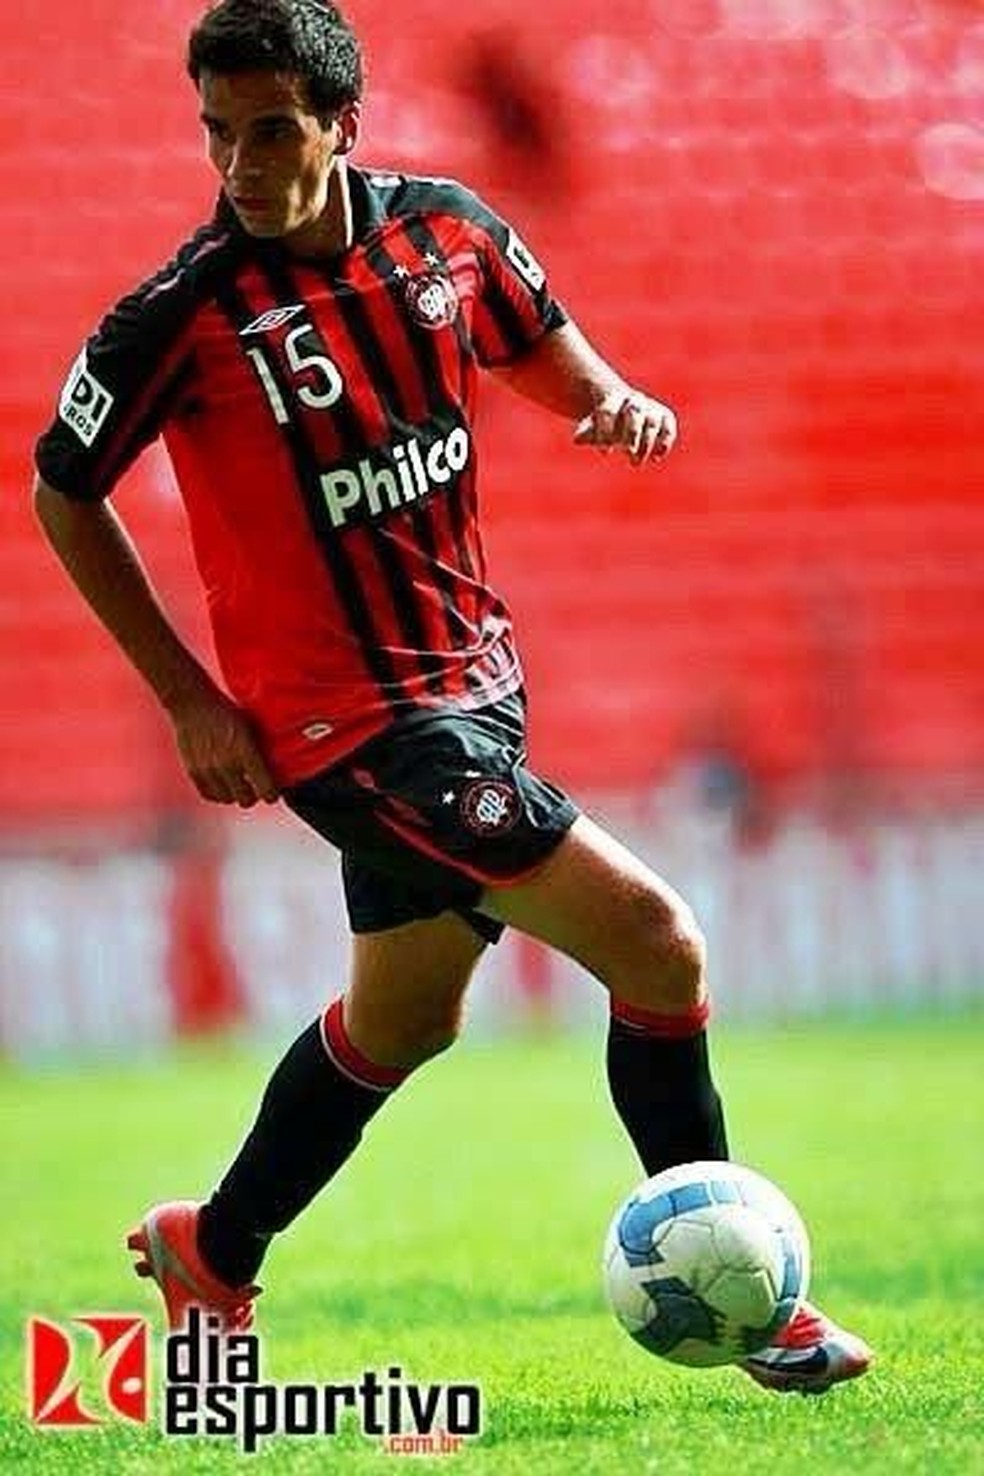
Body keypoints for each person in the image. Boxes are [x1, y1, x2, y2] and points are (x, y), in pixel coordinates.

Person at [33, 0, 871, 1396]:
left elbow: (528, 328)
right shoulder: (181, 315)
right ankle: (748, 1306)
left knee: (405, 1020)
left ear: (341, 123)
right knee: (658, 947)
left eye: (273, 130)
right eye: (218, 132)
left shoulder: (448, 233)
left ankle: (214, 1249)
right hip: (344, 730)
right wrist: (189, 698)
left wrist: (603, 396)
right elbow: (65, 491)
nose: (241, 163)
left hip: (475, 688)